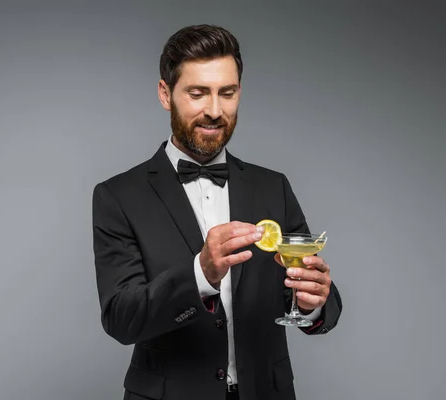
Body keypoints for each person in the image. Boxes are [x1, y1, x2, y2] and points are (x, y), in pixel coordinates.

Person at [92, 24, 342, 400]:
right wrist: (201, 274)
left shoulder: (273, 187)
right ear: (165, 94)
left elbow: (320, 299)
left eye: (227, 93)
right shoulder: (118, 196)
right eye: (197, 93)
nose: (214, 110)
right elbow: (121, 320)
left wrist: (312, 303)